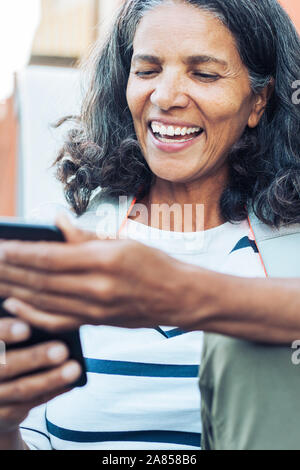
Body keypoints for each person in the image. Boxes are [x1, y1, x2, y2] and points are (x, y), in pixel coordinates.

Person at [0, 0, 299, 450]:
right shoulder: (63, 247)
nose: (166, 97)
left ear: (258, 99)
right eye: (147, 70)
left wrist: (175, 293)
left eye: (204, 73)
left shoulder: (288, 250)